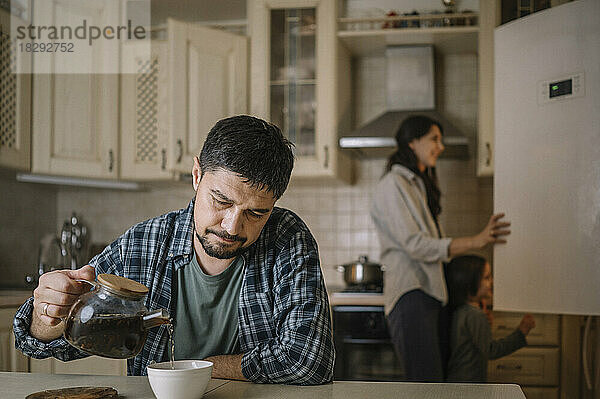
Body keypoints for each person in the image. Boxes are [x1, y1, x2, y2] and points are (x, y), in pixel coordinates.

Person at [13, 115, 335, 385]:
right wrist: (48, 315)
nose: (232, 227)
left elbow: (308, 360)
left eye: (256, 213)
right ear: (197, 176)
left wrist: (200, 368)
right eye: (221, 201)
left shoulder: (285, 236)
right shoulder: (143, 244)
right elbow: (48, 344)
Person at [369, 115, 511, 382]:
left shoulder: (417, 186)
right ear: (412, 142)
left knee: (439, 384)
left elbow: (430, 248)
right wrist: (477, 240)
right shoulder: (393, 185)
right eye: (434, 139)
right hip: (411, 295)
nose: (441, 146)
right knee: (427, 386)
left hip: (430, 294)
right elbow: (416, 245)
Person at [444, 255, 535, 382]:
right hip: (469, 383)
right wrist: (521, 332)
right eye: (487, 277)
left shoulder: (461, 311)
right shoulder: (475, 315)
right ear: (470, 283)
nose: (492, 281)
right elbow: (492, 350)